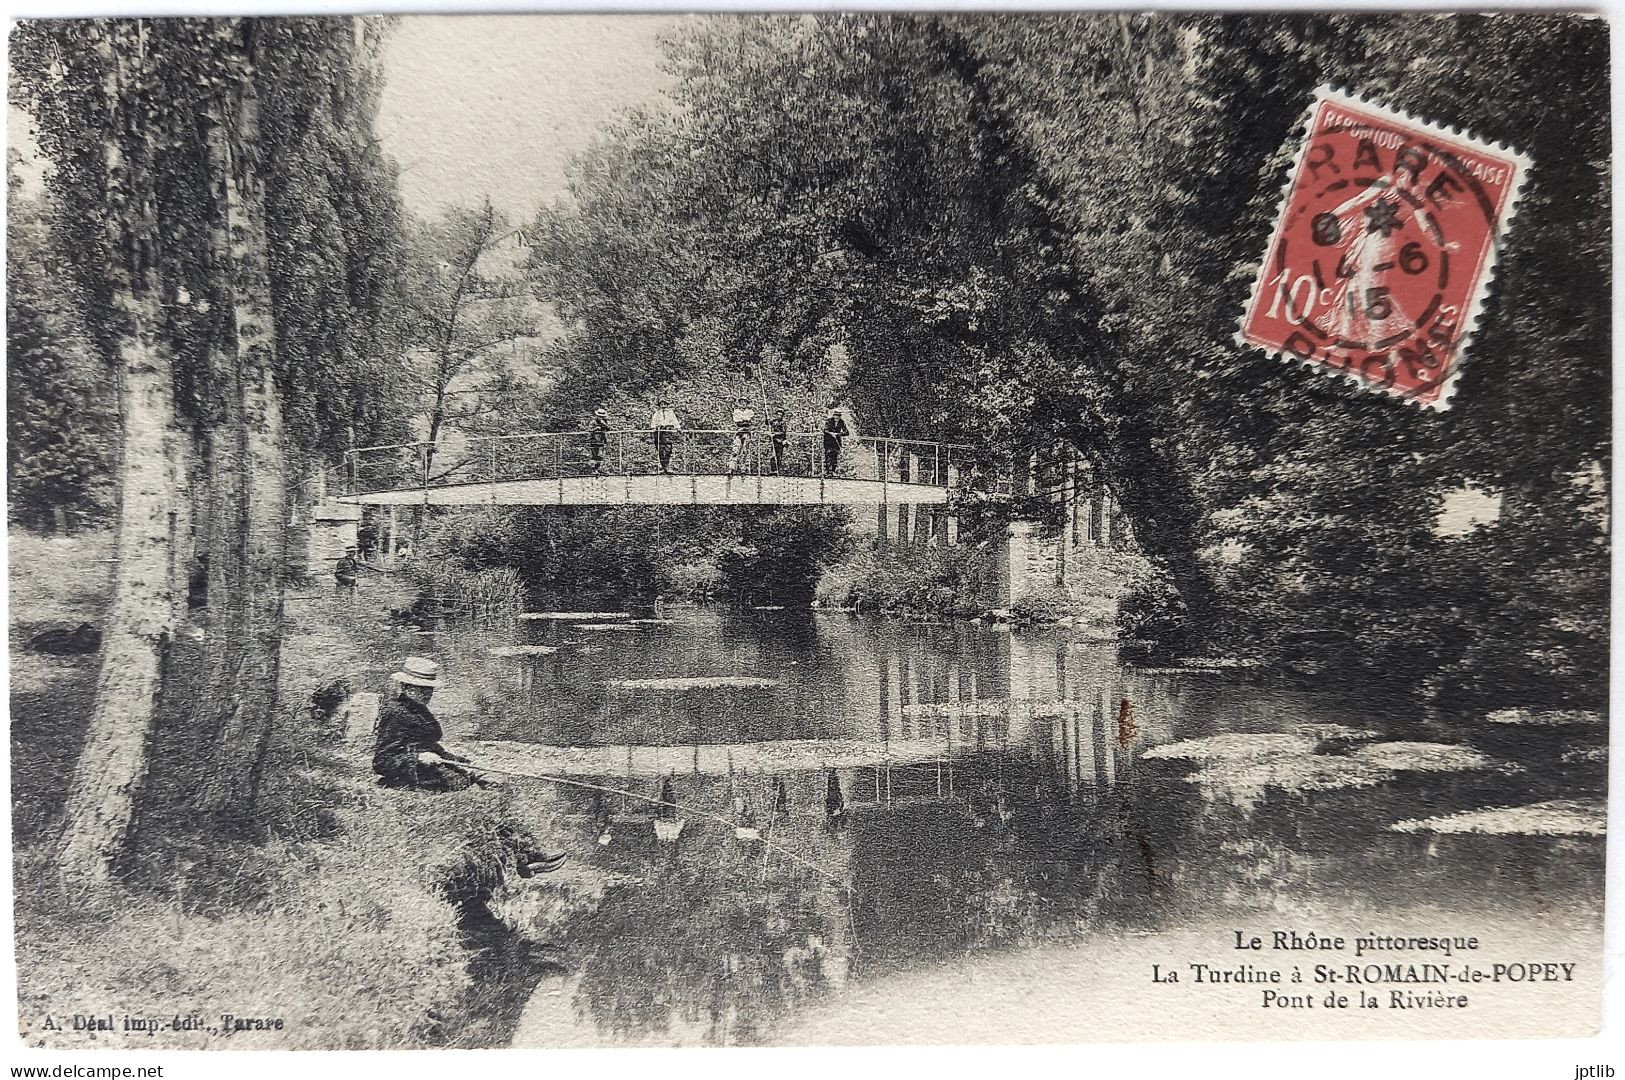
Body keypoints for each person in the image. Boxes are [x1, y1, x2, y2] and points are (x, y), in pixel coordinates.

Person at [372, 657, 485, 793]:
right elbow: (382, 761)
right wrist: (418, 758)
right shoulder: (395, 713)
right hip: (410, 772)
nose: (427, 694)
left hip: (426, 766)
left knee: (474, 776)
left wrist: (460, 761)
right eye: (421, 688)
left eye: (429, 688)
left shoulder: (418, 708)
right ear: (405, 686)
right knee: (462, 783)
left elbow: (427, 745)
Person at [650, 397, 682, 473]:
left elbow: (675, 421)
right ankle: (662, 467)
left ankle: (667, 467)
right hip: (660, 432)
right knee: (660, 450)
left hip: (667, 432)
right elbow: (653, 423)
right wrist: (654, 428)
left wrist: (678, 428)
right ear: (660, 405)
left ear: (667, 405)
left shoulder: (670, 413)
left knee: (667, 449)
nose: (663, 405)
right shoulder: (657, 413)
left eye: (665, 404)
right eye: (661, 404)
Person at [821, 402, 850, 476]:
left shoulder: (841, 422)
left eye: (838, 416)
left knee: (835, 457)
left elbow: (846, 432)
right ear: (833, 416)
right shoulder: (829, 421)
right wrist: (831, 433)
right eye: (836, 416)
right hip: (828, 441)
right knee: (828, 456)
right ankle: (829, 472)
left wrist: (839, 434)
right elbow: (825, 430)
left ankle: (833, 471)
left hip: (836, 442)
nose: (837, 418)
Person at [728, 397, 756, 473]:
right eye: (741, 402)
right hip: (739, 432)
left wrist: (744, 420)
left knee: (745, 450)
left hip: (747, 433)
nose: (743, 403)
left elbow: (748, 420)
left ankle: (743, 468)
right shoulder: (736, 411)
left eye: (745, 402)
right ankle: (731, 468)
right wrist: (744, 420)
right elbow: (737, 421)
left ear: (747, 403)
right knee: (735, 450)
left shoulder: (750, 412)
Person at [587, 407, 611, 474]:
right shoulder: (593, 422)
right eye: (600, 416)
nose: (601, 418)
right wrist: (595, 428)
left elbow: (609, 428)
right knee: (595, 455)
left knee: (601, 455)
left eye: (602, 417)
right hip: (594, 441)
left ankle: (599, 468)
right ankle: (594, 470)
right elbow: (589, 430)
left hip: (602, 440)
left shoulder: (604, 421)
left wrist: (604, 425)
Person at [768, 407, 789, 475]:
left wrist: (774, 434)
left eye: (780, 415)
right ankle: (773, 470)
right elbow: (768, 423)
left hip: (780, 441)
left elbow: (783, 432)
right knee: (772, 455)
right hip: (773, 441)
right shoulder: (774, 421)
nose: (779, 416)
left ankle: (778, 470)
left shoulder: (783, 423)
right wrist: (767, 418)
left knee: (779, 456)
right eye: (778, 415)